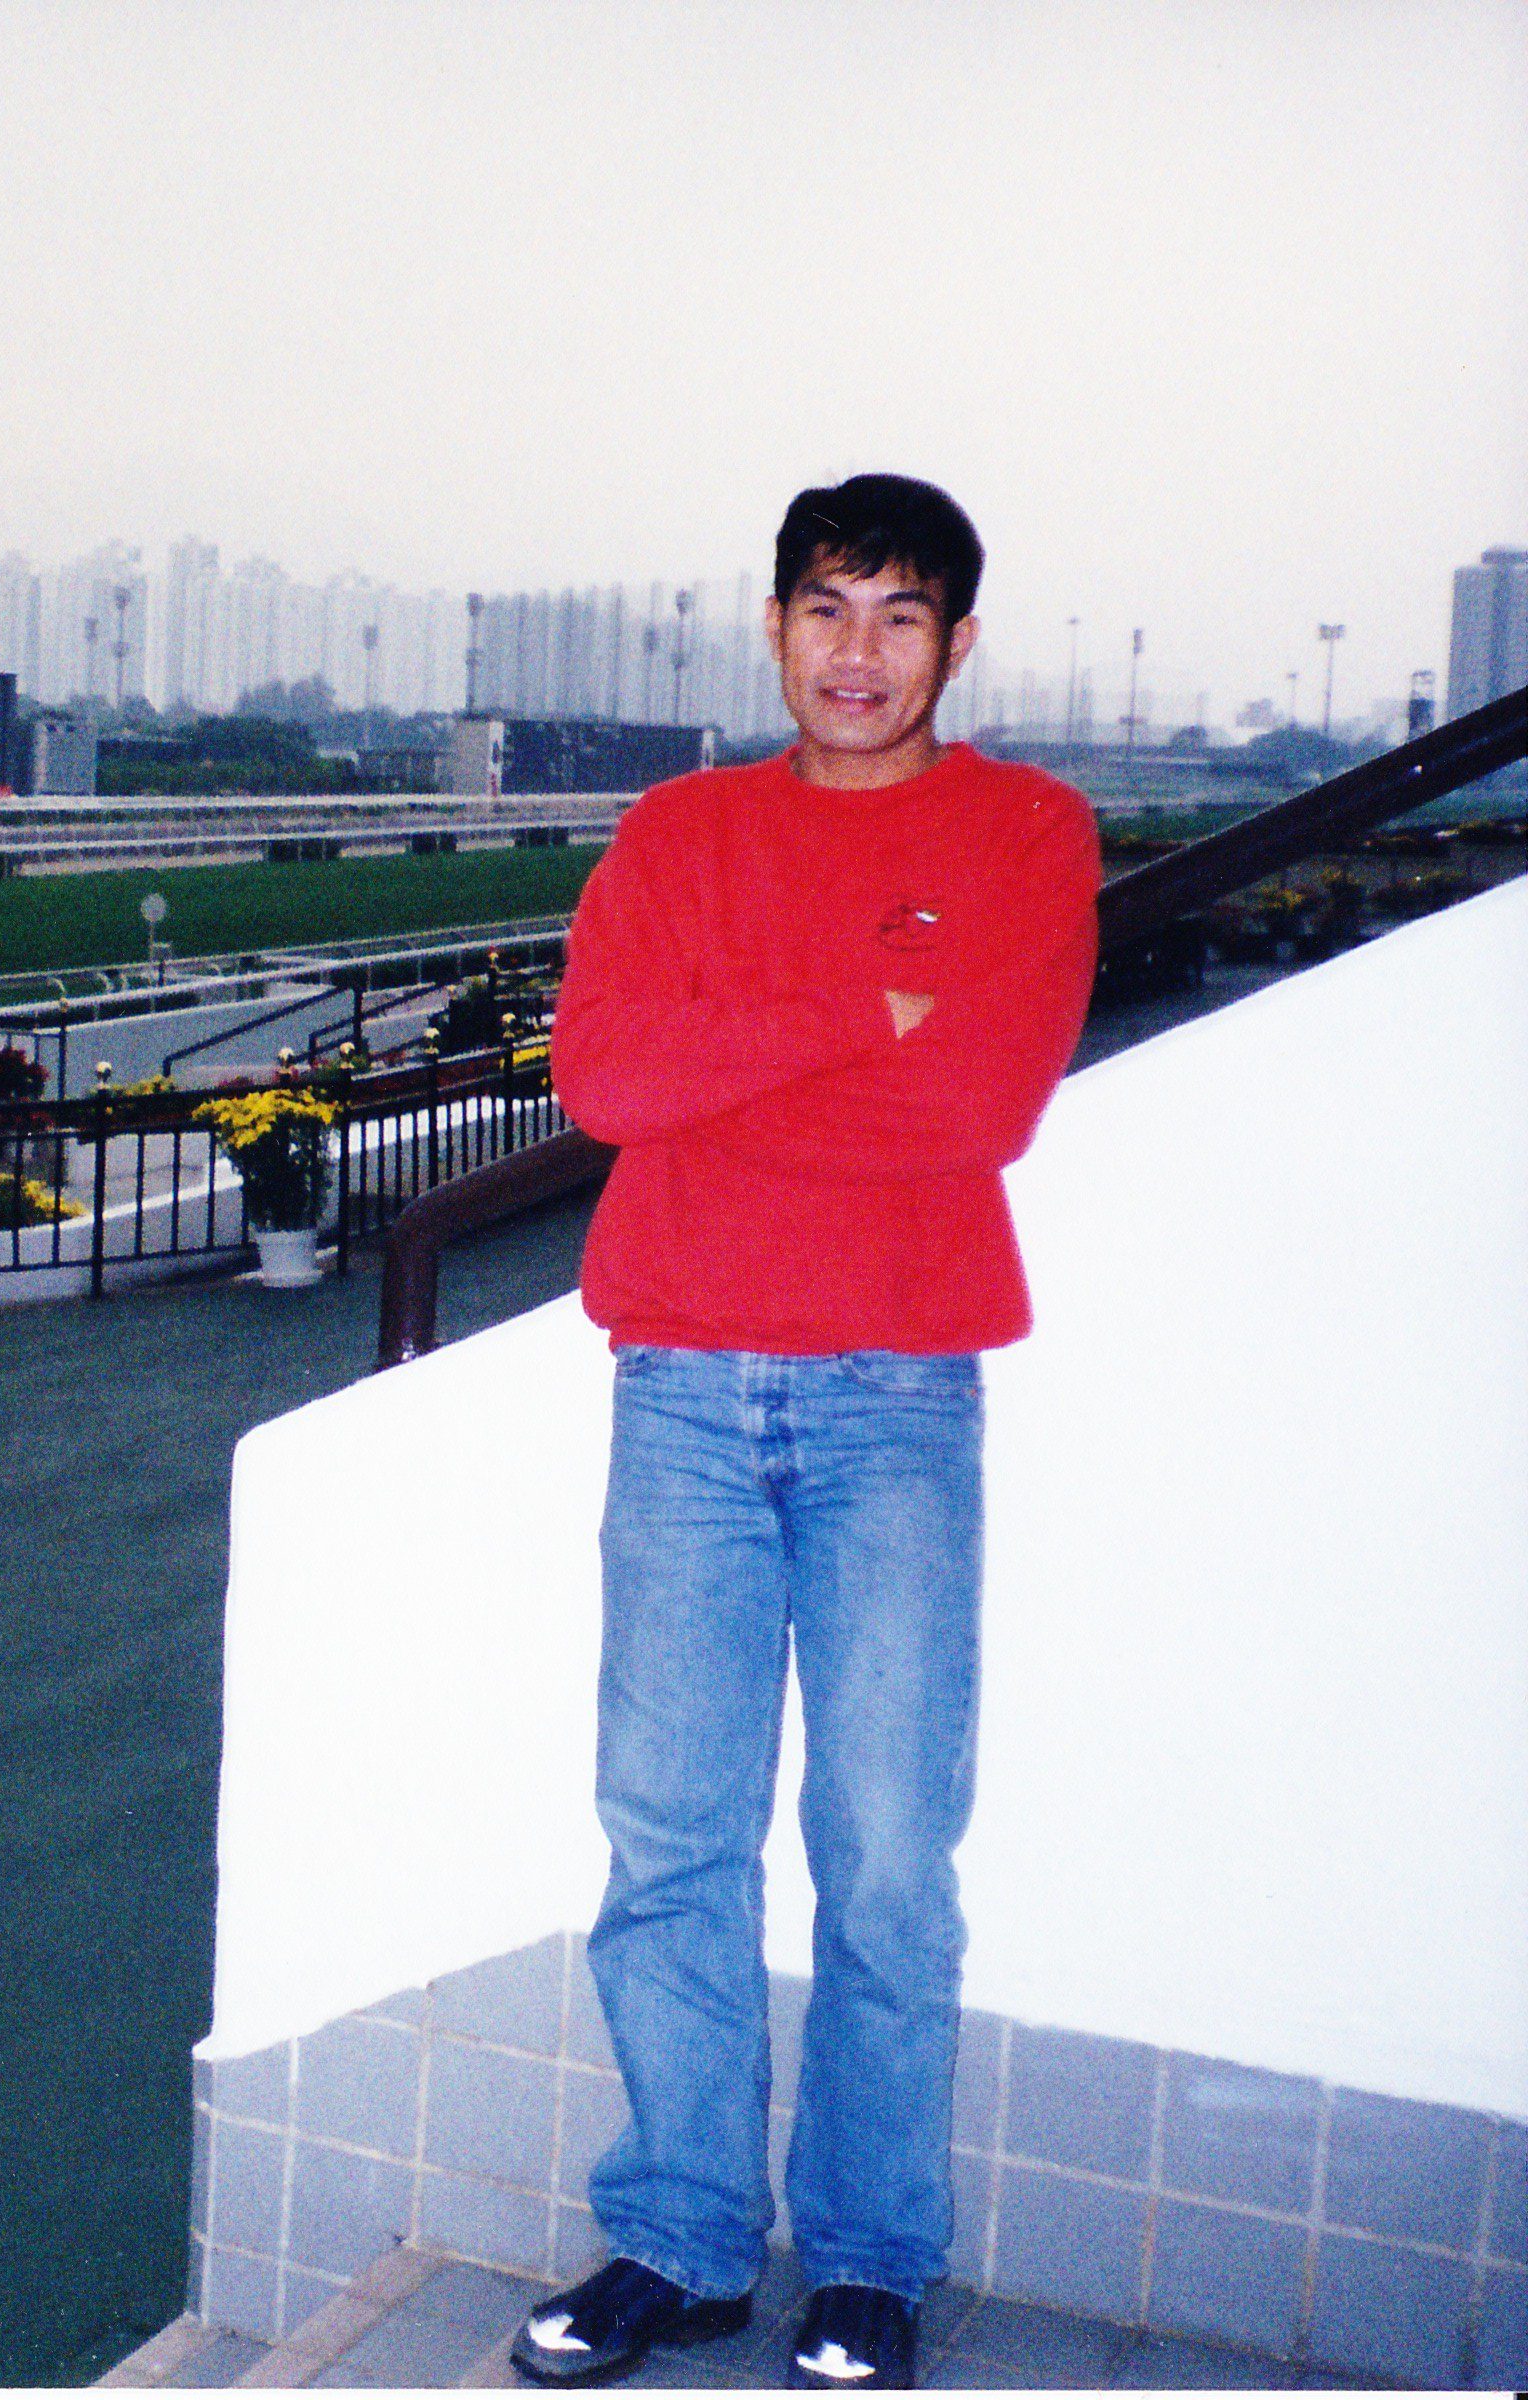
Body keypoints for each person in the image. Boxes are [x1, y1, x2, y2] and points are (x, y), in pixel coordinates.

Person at [504, 475, 1102, 2391]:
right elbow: (604, 1078)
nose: (859, 652)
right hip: (680, 1387)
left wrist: (734, 1056)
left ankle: (863, 2260)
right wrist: (861, 1000)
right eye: (826, 609)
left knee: (885, 1850)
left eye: (900, 615)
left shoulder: (1025, 829)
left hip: (896, 1395)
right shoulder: (677, 832)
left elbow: (974, 1115)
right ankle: (676, 2239)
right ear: (771, 628)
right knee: (668, 1837)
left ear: (957, 642)